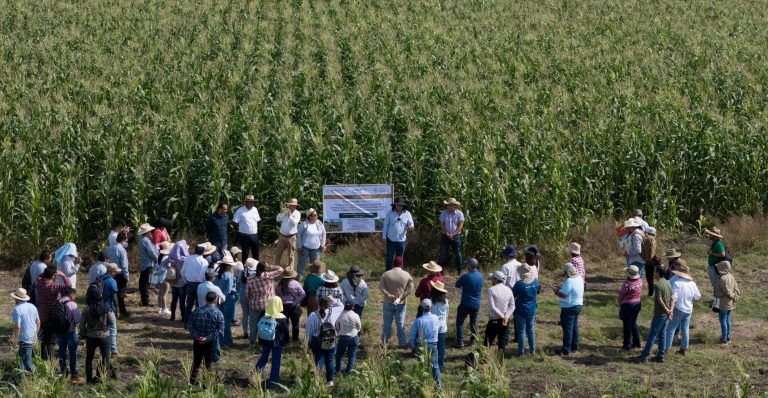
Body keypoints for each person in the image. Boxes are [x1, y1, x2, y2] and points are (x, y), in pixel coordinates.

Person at [638, 265, 674, 363]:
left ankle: (645, 355)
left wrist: (667, 311)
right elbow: (672, 298)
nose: (653, 273)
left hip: (660, 314)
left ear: (658, 273)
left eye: (654, 271)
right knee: (662, 334)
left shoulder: (658, 284)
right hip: (666, 314)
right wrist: (670, 311)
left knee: (652, 335)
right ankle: (661, 355)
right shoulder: (668, 282)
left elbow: (660, 301)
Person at [80, 284, 115, 383]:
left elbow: (82, 324)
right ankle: (102, 378)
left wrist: (83, 333)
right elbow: (112, 321)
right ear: (100, 296)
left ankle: (89, 379)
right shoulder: (106, 308)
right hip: (104, 336)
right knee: (105, 358)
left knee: (89, 358)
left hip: (91, 336)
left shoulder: (86, 309)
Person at [188, 292, 225, 385]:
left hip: (197, 342)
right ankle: (206, 384)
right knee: (208, 364)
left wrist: (197, 337)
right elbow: (220, 330)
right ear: (215, 300)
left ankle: (192, 382)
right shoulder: (218, 313)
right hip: (210, 343)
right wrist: (207, 338)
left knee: (196, 362)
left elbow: (190, 325)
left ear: (206, 299)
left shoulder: (197, 310)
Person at [306, 296, 344, 387]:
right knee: (330, 361)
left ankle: (317, 380)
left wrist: (308, 343)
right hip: (331, 339)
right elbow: (341, 305)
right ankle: (330, 381)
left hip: (317, 341)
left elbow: (309, 331)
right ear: (329, 304)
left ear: (318, 304)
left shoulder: (313, 315)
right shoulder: (334, 312)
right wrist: (333, 299)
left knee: (319, 361)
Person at [35, 267, 72, 360]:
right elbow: (69, 286)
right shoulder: (54, 286)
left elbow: (38, 277)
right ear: (52, 276)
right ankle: (49, 358)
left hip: (41, 312)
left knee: (43, 335)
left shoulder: (39, 284)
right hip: (53, 313)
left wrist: (47, 273)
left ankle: (42, 356)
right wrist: (62, 275)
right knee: (51, 338)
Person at [246, 261, 284, 348]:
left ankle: (252, 343)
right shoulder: (268, 276)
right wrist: (270, 266)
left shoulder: (250, 279)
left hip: (254, 305)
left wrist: (252, 299)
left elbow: (247, 294)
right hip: (267, 305)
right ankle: (264, 341)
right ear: (265, 269)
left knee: (253, 325)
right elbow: (281, 269)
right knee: (267, 324)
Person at [664, 263, 701, 355]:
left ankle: (666, 349)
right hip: (688, 309)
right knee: (685, 329)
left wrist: (670, 309)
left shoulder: (677, 283)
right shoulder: (692, 283)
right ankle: (683, 348)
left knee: (670, 329)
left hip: (679, 308)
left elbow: (674, 297)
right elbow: (697, 297)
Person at [379, 256, 414, 348]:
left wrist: (388, 295)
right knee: (400, 323)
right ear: (401, 264)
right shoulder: (406, 274)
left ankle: (385, 343)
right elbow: (411, 288)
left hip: (388, 301)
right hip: (401, 302)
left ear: (393, 264)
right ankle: (402, 343)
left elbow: (381, 287)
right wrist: (402, 296)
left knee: (387, 323)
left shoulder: (386, 274)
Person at [256, 296, 289, 388]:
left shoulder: (264, 314)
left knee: (264, 356)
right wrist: (287, 341)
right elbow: (285, 331)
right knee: (275, 361)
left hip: (265, 340)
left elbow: (259, 326)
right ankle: (273, 381)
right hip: (277, 342)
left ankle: (257, 374)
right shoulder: (281, 317)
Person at [552, 263, 584, 357]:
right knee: (574, 327)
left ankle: (566, 349)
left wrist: (557, 292)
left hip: (569, 307)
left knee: (567, 328)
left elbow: (564, 294)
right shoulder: (579, 278)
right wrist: (561, 288)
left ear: (567, 272)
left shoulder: (569, 281)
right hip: (578, 305)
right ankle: (575, 346)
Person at [409, 299, 441, 389]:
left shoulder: (418, 320)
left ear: (422, 307)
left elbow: (412, 335)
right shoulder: (436, 318)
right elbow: (439, 329)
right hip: (433, 344)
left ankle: (422, 385)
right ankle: (438, 386)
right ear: (431, 307)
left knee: (421, 365)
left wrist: (413, 345)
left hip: (421, 345)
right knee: (435, 365)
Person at [55, 287, 84, 382]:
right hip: (71, 332)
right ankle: (74, 374)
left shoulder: (56, 303)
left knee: (61, 352)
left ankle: (62, 372)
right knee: (73, 353)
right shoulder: (72, 304)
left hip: (59, 332)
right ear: (71, 295)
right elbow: (77, 319)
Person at [454, 258, 483, 348]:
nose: (467, 266)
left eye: (467, 265)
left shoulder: (466, 276)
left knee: (460, 322)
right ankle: (473, 341)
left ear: (469, 266)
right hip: (476, 304)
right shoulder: (481, 276)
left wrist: (462, 276)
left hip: (466, 303)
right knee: (473, 322)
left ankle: (460, 342)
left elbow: (457, 284)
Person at [484, 270, 515, 353]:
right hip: (505, 320)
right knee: (502, 342)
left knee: (487, 342)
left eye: (492, 279)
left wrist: (502, 316)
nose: (491, 280)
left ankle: (484, 361)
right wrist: (506, 316)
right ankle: (500, 362)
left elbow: (492, 306)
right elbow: (512, 306)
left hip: (494, 319)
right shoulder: (508, 290)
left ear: (496, 279)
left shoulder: (491, 290)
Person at [181, 243, 213, 321]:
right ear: (203, 252)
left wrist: (186, 281)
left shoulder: (188, 258)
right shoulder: (204, 261)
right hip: (199, 284)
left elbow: (182, 272)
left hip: (189, 283)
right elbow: (202, 275)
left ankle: (187, 322)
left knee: (189, 304)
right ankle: (196, 321)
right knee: (199, 305)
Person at [11, 288, 39, 376]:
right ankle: (21, 379)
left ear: (17, 298)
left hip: (24, 337)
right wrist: (35, 334)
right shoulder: (33, 306)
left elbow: (18, 326)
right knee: (21, 358)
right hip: (32, 336)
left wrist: (16, 338)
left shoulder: (17, 309)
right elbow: (38, 322)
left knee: (27, 361)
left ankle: (38, 376)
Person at [512, 264, 539, 356]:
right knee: (530, 330)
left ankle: (521, 352)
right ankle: (532, 350)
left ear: (521, 273)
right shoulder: (535, 282)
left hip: (520, 310)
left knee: (521, 331)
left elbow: (513, 294)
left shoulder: (519, 284)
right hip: (531, 310)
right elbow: (538, 291)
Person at [382, 197, 415, 271]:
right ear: (395, 205)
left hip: (402, 240)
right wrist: (384, 236)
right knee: (389, 257)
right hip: (391, 239)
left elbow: (411, 224)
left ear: (403, 206)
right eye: (397, 205)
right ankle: (388, 273)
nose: (399, 206)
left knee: (399, 258)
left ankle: (399, 273)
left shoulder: (407, 213)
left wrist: (411, 227)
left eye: (400, 205)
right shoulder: (390, 213)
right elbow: (386, 225)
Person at [101, 263, 126, 359]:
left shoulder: (101, 278)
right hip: (108, 308)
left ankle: (104, 350)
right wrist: (117, 310)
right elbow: (114, 298)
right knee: (112, 330)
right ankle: (114, 351)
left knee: (103, 329)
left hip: (99, 308)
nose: (116, 273)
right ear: (112, 272)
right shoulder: (112, 281)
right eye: (115, 272)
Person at [275, 268, 306, 342]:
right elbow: (303, 294)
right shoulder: (295, 283)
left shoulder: (280, 284)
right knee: (295, 323)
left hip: (283, 306)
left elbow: (277, 293)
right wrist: (296, 301)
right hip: (294, 306)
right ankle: (295, 339)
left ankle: (286, 339)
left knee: (285, 324)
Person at [714, 261, 740, 345]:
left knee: (723, 321)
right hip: (730, 302)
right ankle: (728, 337)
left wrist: (733, 296)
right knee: (728, 320)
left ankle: (724, 339)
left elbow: (727, 291)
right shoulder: (731, 276)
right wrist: (736, 297)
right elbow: (736, 288)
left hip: (723, 302)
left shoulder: (722, 278)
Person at [617, 265, 643, 351]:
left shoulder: (627, 283)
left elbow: (621, 295)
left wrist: (620, 302)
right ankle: (637, 343)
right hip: (637, 303)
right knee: (633, 323)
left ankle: (627, 345)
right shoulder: (640, 281)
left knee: (627, 325)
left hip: (628, 305)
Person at [214, 257, 238, 348]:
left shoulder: (218, 274)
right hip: (228, 299)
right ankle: (228, 342)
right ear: (228, 265)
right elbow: (228, 290)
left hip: (219, 299)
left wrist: (219, 298)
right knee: (227, 322)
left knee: (220, 321)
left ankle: (220, 341)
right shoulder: (229, 275)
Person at [106, 232, 130, 317]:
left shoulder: (109, 248)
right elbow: (124, 265)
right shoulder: (122, 250)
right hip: (120, 273)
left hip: (111, 272)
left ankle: (112, 309)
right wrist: (127, 276)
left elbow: (106, 260)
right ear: (123, 240)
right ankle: (122, 311)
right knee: (121, 293)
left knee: (111, 292)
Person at [296, 208, 326, 277]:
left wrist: (323, 244)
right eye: (315, 215)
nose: (316, 217)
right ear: (310, 216)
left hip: (316, 249)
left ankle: (313, 279)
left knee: (315, 266)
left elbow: (324, 233)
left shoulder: (319, 223)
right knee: (301, 264)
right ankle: (299, 279)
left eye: (316, 215)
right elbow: (299, 235)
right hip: (304, 248)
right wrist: (299, 246)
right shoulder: (304, 224)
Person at [438, 198, 464, 275]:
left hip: (456, 236)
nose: (449, 206)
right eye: (448, 205)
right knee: (443, 252)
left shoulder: (460, 213)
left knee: (458, 253)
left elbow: (461, 225)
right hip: (445, 235)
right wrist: (447, 233)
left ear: (455, 206)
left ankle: (460, 270)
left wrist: (453, 234)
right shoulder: (443, 213)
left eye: (451, 205)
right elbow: (441, 224)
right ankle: (439, 270)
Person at [335, 300, 362, 375]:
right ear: (353, 307)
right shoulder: (356, 315)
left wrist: (340, 331)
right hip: (354, 336)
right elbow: (359, 327)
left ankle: (337, 369)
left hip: (343, 337)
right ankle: (349, 371)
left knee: (339, 354)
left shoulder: (340, 315)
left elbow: (337, 326)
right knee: (352, 355)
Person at [274, 198, 301, 270]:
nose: (291, 206)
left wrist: (290, 216)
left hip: (291, 237)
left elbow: (295, 223)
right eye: (290, 205)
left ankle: (290, 271)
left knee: (291, 256)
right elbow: (277, 219)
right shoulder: (285, 212)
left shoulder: (297, 213)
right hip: (282, 236)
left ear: (295, 206)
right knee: (278, 254)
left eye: (293, 205)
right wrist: (281, 213)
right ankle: (276, 269)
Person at [233, 195, 262, 260]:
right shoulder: (240, 210)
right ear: (245, 202)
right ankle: (244, 269)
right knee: (245, 253)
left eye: (252, 202)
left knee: (256, 253)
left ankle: (256, 268)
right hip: (244, 236)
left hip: (254, 235)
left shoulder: (255, 209)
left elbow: (258, 221)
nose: (251, 203)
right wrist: (240, 232)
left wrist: (257, 232)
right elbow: (235, 223)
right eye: (250, 202)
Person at [138, 223, 159, 307]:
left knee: (143, 282)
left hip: (144, 263)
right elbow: (151, 252)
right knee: (146, 283)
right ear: (146, 232)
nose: (150, 232)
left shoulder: (141, 239)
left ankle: (144, 300)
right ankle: (145, 301)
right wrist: (157, 259)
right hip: (148, 263)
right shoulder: (146, 240)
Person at [429, 281, 449, 371]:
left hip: (432, 328)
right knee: (441, 347)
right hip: (442, 327)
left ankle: (432, 364)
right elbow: (447, 314)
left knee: (432, 347)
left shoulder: (430, 302)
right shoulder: (446, 302)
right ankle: (440, 365)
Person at [167, 241, 189, 322]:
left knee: (174, 299)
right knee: (182, 301)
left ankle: (172, 316)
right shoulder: (185, 260)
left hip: (173, 282)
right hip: (182, 282)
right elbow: (184, 272)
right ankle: (183, 317)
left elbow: (167, 267)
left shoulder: (171, 258)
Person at [238, 258, 257, 338]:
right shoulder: (254, 273)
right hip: (252, 295)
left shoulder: (241, 272)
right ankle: (252, 332)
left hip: (242, 294)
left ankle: (245, 332)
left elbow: (238, 281)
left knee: (245, 314)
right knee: (252, 315)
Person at [155, 242, 175, 315]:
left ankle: (160, 308)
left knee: (160, 293)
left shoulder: (159, 256)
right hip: (165, 277)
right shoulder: (166, 257)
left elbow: (157, 267)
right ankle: (164, 309)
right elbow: (166, 268)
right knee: (164, 294)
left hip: (160, 278)